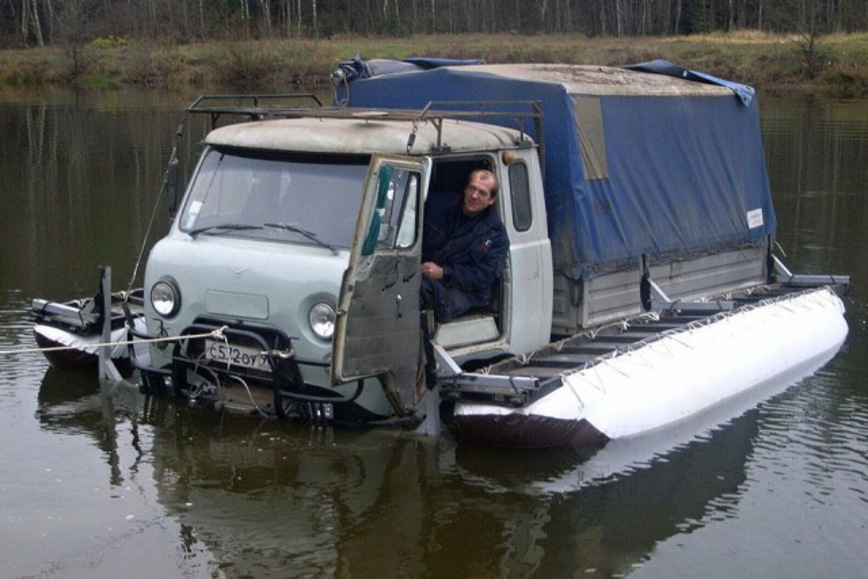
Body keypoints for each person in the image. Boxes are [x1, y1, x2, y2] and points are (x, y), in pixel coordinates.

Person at [420, 169, 509, 323]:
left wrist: (444, 273)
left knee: (417, 290)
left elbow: (482, 277)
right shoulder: (438, 205)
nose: (474, 196)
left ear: (491, 200)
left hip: (466, 293)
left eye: (482, 193)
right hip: (427, 273)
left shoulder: (496, 235)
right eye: (472, 188)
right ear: (465, 189)